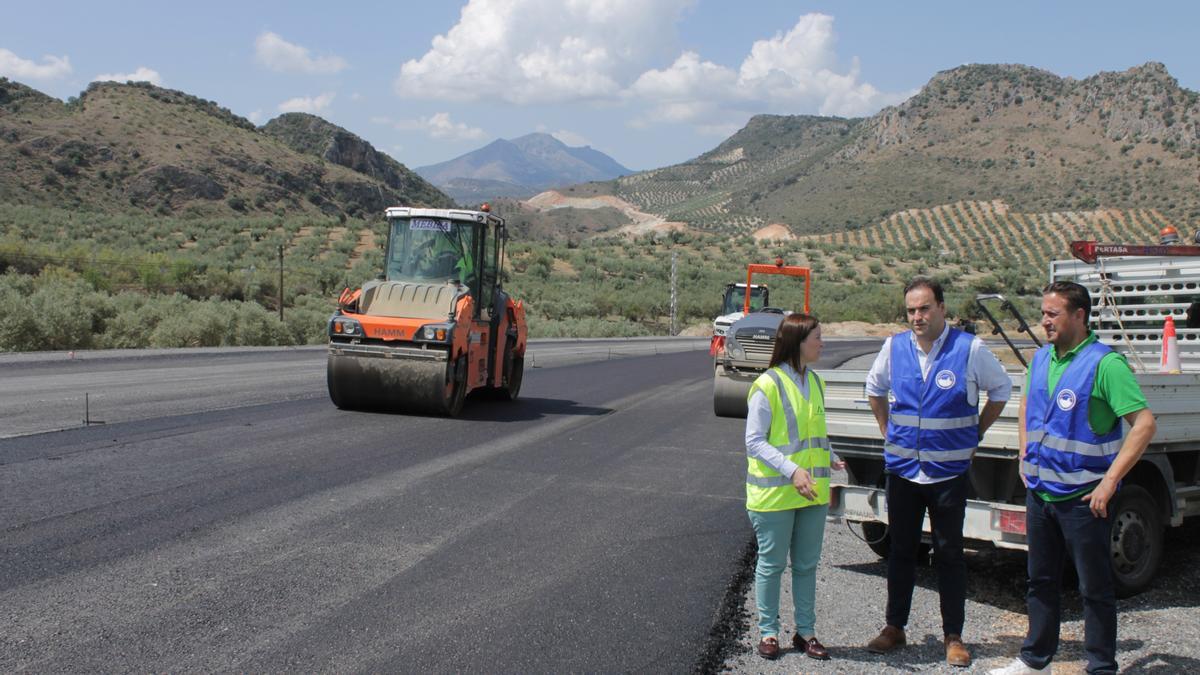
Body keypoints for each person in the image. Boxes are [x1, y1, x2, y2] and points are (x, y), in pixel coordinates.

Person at [990, 282, 1156, 675]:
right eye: (1043, 313)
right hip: (1041, 494)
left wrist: (1110, 481)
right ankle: (1035, 660)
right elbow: (1028, 404)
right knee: (1040, 581)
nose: (1044, 321)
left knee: (1094, 589)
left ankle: (1100, 666)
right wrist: (1023, 455)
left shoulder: (1105, 364)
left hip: (1083, 499)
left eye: (1052, 314)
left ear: (1079, 315)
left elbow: (1144, 424)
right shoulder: (1042, 358)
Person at [864, 277, 1011, 668]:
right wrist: (886, 430)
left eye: (925, 308)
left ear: (942, 308)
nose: (917, 316)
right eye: (911, 310)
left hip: (947, 473)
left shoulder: (969, 348)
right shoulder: (894, 347)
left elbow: (1001, 390)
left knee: (949, 554)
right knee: (900, 551)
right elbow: (874, 389)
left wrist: (977, 431)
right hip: (904, 472)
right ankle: (894, 628)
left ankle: (954, 636)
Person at [744, 313, 844, 661]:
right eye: (817, 336)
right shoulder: (767, 385)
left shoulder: (816, 382)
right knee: (772, 565)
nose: (822, 343)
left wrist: (830, 456)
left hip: (811, 492)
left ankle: (806, 633)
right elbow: (754, 441)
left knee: (806, 565)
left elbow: (812, 431)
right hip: (774, 494)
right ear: (798, 341)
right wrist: (792, 471)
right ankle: (769, 632)